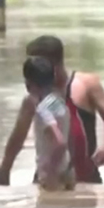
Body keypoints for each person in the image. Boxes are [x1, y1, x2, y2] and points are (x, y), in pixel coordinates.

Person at [0, 35, 104, 185]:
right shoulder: (35, 97)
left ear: (53, 63)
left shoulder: (85, 84)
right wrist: (5, 169)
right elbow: (18, 135)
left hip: (85, 175)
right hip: (47, 177)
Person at [23, 56, 74, 191]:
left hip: (54, 174)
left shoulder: (43, 109)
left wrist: (50, 172)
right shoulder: (60, 103)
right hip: (66, 170)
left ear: (28, 84)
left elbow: (60, 142)